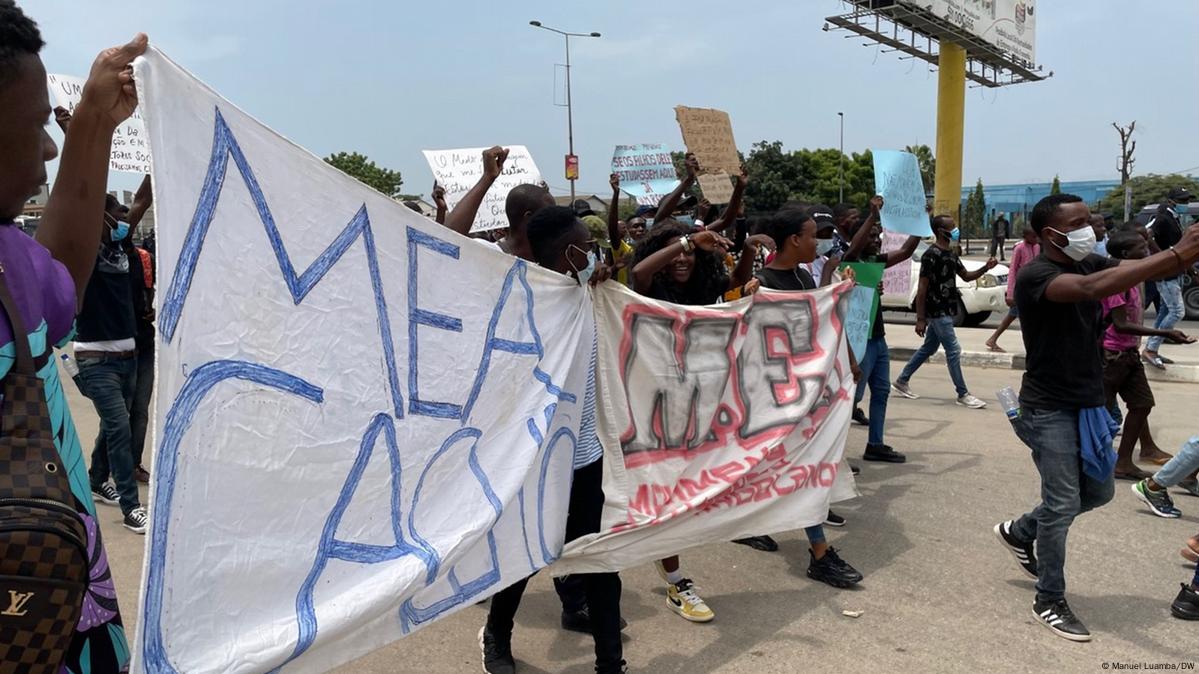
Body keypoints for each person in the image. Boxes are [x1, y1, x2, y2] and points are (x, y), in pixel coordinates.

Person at [0, 4, 146, 669]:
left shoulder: (12, 268)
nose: (48, 146)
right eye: (35, 126)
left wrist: (93, 120)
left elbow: (57, 275)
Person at [993, 193, 1199, 642]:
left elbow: (1129, 272)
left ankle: (1021, 530)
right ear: (1052, 234)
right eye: (1081, 222)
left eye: (1092, 219)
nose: (1094, 228)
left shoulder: (1087, 264)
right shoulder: (1037, 275)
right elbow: (1089, 292)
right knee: (1064, 501)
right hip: (1047, 406)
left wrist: (1180, 256)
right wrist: (1176, 251)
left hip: (1088, 400)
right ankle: (1049, 598)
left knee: (1100, 492)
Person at [479, 206, 624, 674]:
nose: (595, 254)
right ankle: (497, 636)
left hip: (585, 457)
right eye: (588, 245)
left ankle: (609, 663)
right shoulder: (523, 301)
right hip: (535, 458)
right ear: (568, 253)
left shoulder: (591, 294)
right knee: (523, 556)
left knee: (600, 561)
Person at [630, 194, 773, 623]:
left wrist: (745, 258)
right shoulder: (648, 287)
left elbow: (732, 298)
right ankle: (598, 578)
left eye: (690, 253)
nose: (683, 260)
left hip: (696, 408)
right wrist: (690, 240)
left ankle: (674, 579)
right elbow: (639, 271)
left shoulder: (704, 288)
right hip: (643, 408)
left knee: (676, 494)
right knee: (647, 494)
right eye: (673, 251)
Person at [750, 207, 864, 588]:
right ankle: (815, 550)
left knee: (805, 469)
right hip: (774, 399)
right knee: (783, 468)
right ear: (794, 240)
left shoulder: (800, 276)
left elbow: (819, 325)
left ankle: (815, 547)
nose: (819, 242)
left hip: (804, 395)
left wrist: (845, 358)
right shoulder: (761, 282)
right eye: (813, 235)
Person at [76, 192, 147, 533]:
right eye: (116, 212)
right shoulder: (84, 251)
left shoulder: (123, 247)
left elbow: (143, 200)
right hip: (95, 360)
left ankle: (95, 477)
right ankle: (130, 505)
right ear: (97, 215)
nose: (123, 218)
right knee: (119, 426)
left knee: (112, 425)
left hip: (128, 358)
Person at [1099, 231, 1188, 481]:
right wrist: (1163, 332)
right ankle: (1094, 461)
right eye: (1142, 247)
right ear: (1126, 255)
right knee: (1102, 413)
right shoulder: (1116, 282)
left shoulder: (1134, 279)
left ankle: (1124, 461)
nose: (1147, 251)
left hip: (1128, 353)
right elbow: (1120, 324)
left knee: (1142, 404)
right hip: (1112, 354)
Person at [842, 197, 921, 463]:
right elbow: (853, 249)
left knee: (882, 392)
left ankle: (875, 443)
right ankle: (835, 453)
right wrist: (873, 215)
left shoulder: (875, 261)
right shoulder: (849, 262)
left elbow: (906, 252)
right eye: (872, 235)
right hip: (859, 342)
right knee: (853, 397)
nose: (877, 239)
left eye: (879, 235)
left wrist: (921, 225)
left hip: (877, 338)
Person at [891, 215, 994, 408]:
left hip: (947, 308)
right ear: (940, 231)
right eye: (952, 227)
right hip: (936, 310)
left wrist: (985, 268)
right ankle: (963, 394)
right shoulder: (931, 255)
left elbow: (966, 275)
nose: (956, 229)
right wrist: (920, 318)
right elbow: (922, 288)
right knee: (953, 350)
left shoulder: (951, 253)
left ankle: (901, 381)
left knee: (929, 348)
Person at [1142, 187, 1194, 370]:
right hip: (1166, 273)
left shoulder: (1174, 218)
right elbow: (1147, 235)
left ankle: (1152, 348)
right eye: (1182, 200)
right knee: (1177, 311)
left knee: (1165, 310)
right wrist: (1163, 256)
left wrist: (1186, 268)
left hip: (1175, 271)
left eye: (1187, 200)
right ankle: (1151, 348)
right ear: (1171, 201)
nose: (1186, 204)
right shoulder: (1163, 218)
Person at [986, 227, 1040, 352]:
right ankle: (1031, 346)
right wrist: (1010, 293)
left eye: (1036, 236)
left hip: (1031, 289)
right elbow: (1012, 271)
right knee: (1023, 318)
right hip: (1020, 289)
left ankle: (993, 339)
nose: (1035, 239)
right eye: (1033, 237)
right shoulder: (1019, 248)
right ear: (1025, 237)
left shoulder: (1037, 247)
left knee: (1013, 315)